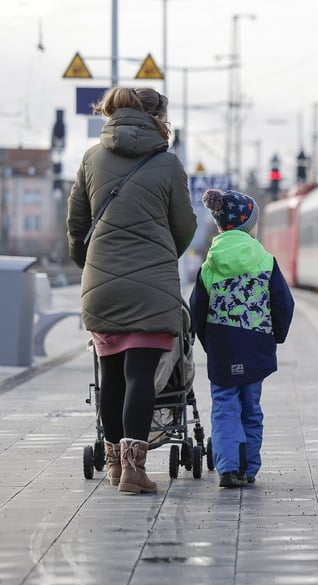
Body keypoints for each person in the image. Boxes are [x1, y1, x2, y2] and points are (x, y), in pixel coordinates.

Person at [66, 86, 196, 494]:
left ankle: (112, 465)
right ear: (158, 118)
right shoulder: (168, 163)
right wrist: (160, 255)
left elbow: (76, 225)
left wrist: (91, 267)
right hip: (151, 287)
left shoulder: (91, 158)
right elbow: (185, 227)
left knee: (111, 375)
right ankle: (133, 471)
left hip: (101, 286)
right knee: (141, 374)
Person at [189, 189, 294, 488]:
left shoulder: (209, 266)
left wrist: (210, 343)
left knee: (223, 407)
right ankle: (247, 468)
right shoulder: (266, 261)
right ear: (249, 226)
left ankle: (228, 469)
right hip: (256, 345)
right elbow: (283, 304)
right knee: (251, 407)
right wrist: (277, 337)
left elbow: (197, 309)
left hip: (223, 346)